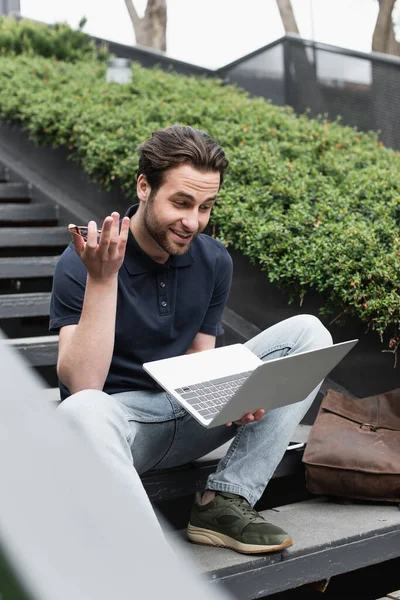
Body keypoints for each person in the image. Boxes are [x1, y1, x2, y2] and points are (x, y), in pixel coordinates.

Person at [50, 125, 332, 555]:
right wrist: (103, 278)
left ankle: (225, 500)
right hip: (120, 430)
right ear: (145, 187)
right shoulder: (84, 260)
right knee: (83, 408)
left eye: (205, 207)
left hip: (185, 417)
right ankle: (148, 561)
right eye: (181, 202)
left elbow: (200, 361)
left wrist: (230, 398)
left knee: (309, 331)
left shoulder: (214, 260)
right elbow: (84, 385)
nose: (193, 221)